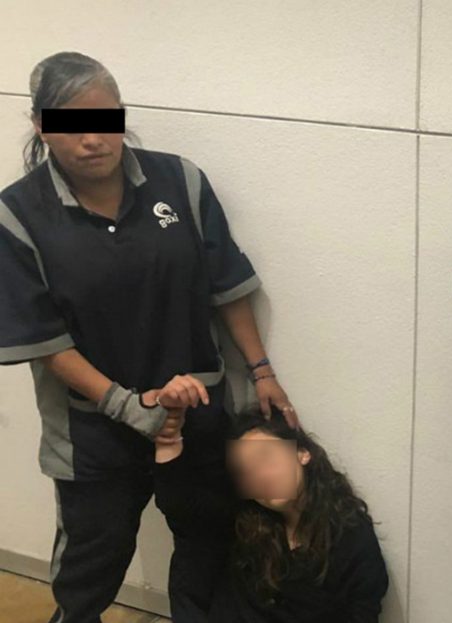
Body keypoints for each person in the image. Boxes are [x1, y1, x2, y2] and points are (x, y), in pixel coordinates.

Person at [0, 51, 299, 622]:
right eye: (73, 125)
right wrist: (126, 406)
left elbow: (225, 285)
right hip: (94, 430)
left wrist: (262, 371)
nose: (94, 139)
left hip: (198, 409)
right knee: (91, 565)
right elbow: (45, 339)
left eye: (105, 119)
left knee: (208, 547)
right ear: (40, 125)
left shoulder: (179, 180)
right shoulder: (16, 214)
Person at [153, 408, 389, 622]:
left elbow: (362, 611)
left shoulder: (349, 532)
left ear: (302, 453)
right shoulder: (244, 519)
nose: (261, 476)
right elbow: (180, 508)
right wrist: (167, 441)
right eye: (247, 471)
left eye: (266, 457)